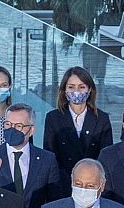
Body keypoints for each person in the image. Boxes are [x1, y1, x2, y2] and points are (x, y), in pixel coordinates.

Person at [42, 66, 113, 197]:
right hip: (63, 186)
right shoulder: (53, 118)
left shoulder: (102, 119)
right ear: (64, 90)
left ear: (90, 89)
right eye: (71, 87)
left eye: (81, 87)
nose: (76, 91)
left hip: (92, 186)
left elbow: (106, 157)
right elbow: (50, 156)